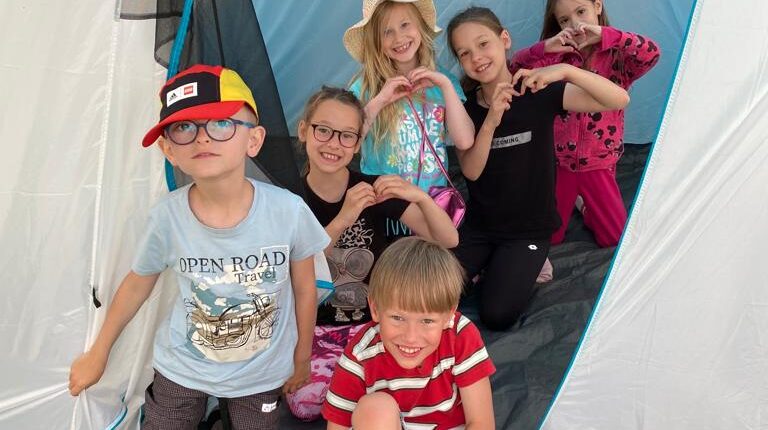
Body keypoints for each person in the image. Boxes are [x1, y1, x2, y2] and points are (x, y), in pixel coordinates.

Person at [67, 64, 330, 429]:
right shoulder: (167, 217)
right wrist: (99, 353)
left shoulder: (289, 211)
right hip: (183, 367)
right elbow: (137, 283)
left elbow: (305, 287)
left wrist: (302, 356)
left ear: (254, 140)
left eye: (221, 123)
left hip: (261, 372)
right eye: (184, 128)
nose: (202, 138)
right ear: (168, 149)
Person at [446, 7, 630, 330]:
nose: (477, 57)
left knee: (497, 315)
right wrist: (491, 121)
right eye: (465, 53)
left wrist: (565, 71)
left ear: (504, 39)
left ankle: (525, 263)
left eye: (483, 44)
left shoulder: (536, 91)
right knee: (434, 295)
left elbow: (618, 99)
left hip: (527, 231)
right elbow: (471, 172)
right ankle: (491, 265)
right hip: (480, 228)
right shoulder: (466, 107)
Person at [285, 86, 459, 421]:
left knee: (397, 396)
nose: (334, 144)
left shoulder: (371, 189)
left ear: (357, 144)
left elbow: (448, 239)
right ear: (304, 130)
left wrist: (421, 197)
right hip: (314, 327)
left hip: (374, 325)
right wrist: (343, 218)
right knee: (305, 405)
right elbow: (294, 269)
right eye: (324, 130)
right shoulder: (288, 198)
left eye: (346, 135)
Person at [511, 0, 660, 248]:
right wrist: (545, 47)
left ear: (597, 6)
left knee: (614, 239)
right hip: (559, 164)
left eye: (581, 11)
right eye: (564, 20)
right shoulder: (556, 57)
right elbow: (514, 68)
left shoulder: (618, 55)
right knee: (549, 238)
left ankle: (585, 206)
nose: (575, 24)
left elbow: (651, 53)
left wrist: (607, 35)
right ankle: (577, 202)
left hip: (599, 163)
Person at [322, 237, 495, 430]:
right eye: (398, 318)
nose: (411, 337)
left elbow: (481, 422)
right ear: (375, 309)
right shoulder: (359, 356)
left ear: (449, 315)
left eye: (427, 321)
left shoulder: (461, 335)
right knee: (374, 409)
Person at [343, 0, 475, 198]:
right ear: (375, 40)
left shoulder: (443, 82)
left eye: (405, 24)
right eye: (386, 32)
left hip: (433, 201)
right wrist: (380, 100)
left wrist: (446, 86)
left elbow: (464, 141)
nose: (399, 38)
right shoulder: (364, 88)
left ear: (420, 25)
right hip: (387, 202)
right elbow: (348, 141)